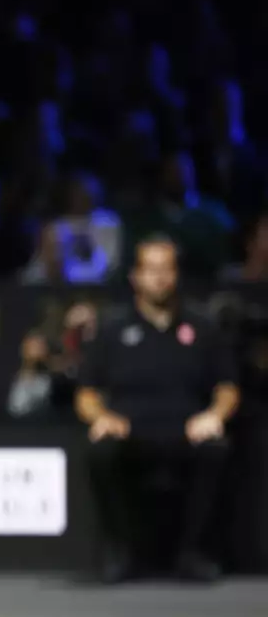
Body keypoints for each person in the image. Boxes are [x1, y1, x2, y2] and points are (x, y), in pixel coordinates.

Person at [75, 235, 240, 584]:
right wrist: (101, 417)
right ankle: (119, 553)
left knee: (216, 448)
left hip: (186, 430)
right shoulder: (112, 329)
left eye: (166, 269)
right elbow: (86, 394)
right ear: (135, 276)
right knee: (100, 451)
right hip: (130, 431)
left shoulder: (202, 326)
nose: (160, 278)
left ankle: (193, 553)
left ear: (177, 275)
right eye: (151, 270)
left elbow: (228, 388)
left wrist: (215, 415)